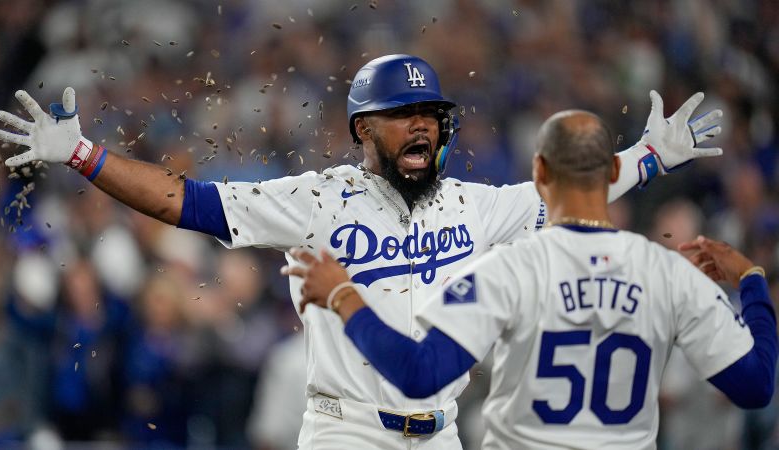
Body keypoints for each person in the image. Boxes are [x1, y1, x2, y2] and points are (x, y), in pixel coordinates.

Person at [0, 54, 724, 448]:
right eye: (399, 116)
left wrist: (651, 155)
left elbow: (580, 193)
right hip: (346, 431)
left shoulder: (478, 206)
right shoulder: (315, 199)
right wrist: (86, 154)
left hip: (440, 435)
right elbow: (183, 201)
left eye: (429, 116)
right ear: (361, 131)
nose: (419, 128)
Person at [283, 110, 777, 449]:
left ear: (538, 172)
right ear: (610, 177)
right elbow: (756, 386)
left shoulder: (505, 272)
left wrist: (346, 297)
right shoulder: (670, 273)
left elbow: (419, 375)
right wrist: (752, 281)